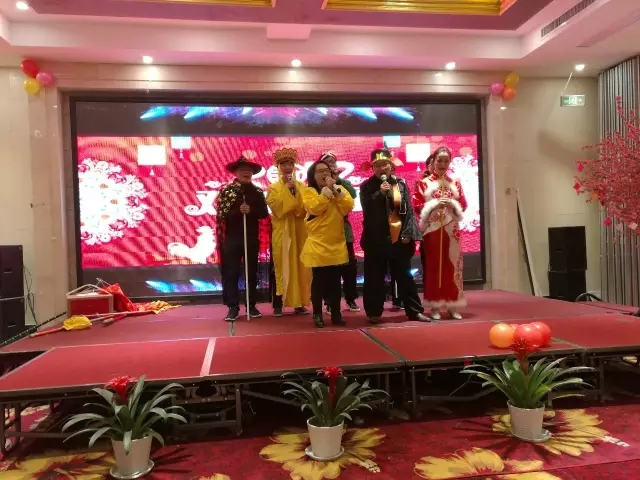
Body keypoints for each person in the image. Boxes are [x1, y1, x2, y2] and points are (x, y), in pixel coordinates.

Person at [359, 148, 429, 324]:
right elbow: (367, 208)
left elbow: (409, 211)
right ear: (372, 168)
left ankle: (414, 311)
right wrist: (380, 193)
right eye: (377, 165)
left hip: (398, 240)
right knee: (374, 278)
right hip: (375, 241)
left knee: (405, 277)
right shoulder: (366, 186)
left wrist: (408, 233)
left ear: (391, 166)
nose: (382, 168)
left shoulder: (401, 184)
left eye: (385, 164)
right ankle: (374, 312)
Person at [413, 146, 468, 320]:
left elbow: (463, 204)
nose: (443, 164)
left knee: (453, 266)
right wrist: (434, 205)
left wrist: (452, 204)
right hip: (433, 230)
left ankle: (453, 305)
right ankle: (435, 306)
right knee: (434, 267)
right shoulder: (423, 183)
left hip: (452, 230)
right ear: (433, 161)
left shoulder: (455, 183)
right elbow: (417, 205)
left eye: (446, 161)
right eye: (439, 160)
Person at [300, 159, 354, 328]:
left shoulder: (338, 188)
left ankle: (336, 314)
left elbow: (348, 206)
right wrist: (326, 192)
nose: (325, 173)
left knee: (336, 282)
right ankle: (317, 314)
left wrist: (336, 191)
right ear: (313, 175)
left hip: (336, 243)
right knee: (319, 282)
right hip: (318, 244)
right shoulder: (308, 191)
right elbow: (315, 208)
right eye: (320, 171)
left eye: (327, 170)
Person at [215, 156, 270, 321]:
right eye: (242, 170)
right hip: (232, 238)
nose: (246, 173)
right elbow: (221, 214)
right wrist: (238, 211)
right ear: (236, 173)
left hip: (251, 238)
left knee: (251, 273)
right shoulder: (227, 191)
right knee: (231, 272)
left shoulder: (257, 192)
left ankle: (251, 305)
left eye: (248, 170)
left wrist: (250, 211)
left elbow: (263, 213)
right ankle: (233, 307)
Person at [266, 148, 311, 316]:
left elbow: (303, 208)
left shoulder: (302, 186)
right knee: (282, 266)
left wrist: (295, 192)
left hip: (299, 232)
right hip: (283, 231)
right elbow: (279, 209)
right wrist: (286, 189)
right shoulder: (273, 188)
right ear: (278, 167)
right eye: (284, 164)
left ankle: (299, 303)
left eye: (290, 163)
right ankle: (278, 304)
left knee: (300, 265)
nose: (287, 167)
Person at [319, 152, 360, 314]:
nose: (331, 164)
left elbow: (353, 195)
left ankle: (350, 298)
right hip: (326, 231)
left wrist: (338, 181)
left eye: (333, 162)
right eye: (327, 162)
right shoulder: (317, 184)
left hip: (344, 230)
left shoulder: (344, 182)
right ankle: (329, 301)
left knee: (349, 267)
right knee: (328, 269)